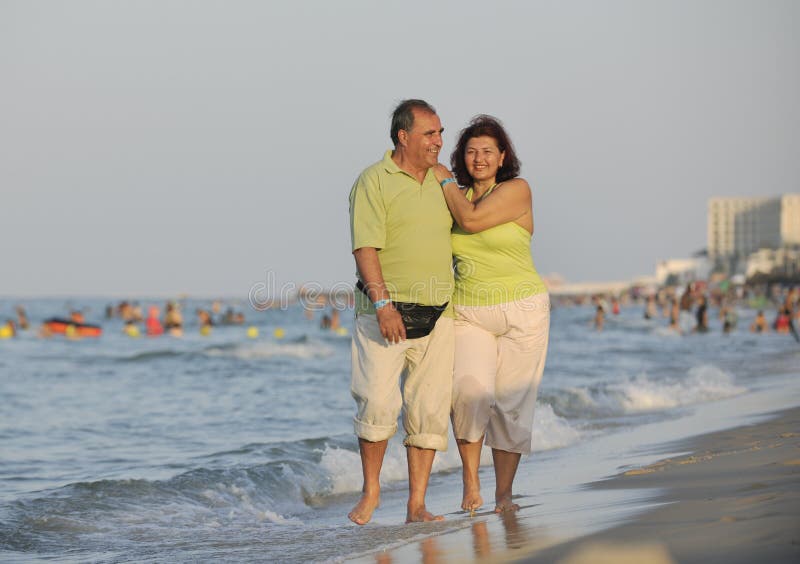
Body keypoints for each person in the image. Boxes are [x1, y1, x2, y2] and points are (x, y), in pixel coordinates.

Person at [434, 115, 550, 514]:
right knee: (467, 394)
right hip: (468, 311)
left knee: (512, 405)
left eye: (487, 151)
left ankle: (503, 495)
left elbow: (473, 220)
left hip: (524, 310)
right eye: (471, 151)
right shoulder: (453, 194)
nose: (479, 158)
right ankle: (470, 483)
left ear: (502, 157)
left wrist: (443, 179)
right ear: (461, 156)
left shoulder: (517, 190)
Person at [347, 99, 455, 525]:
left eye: (441, 133)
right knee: (375, 401)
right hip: (383, 313)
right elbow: (364, 247)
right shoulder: (374, 181)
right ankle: (371, 490)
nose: (439, 142)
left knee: (428, 409)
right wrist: (383, 304)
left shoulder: (443, 181)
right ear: (403, 137)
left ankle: (417, 505)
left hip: (439, 314)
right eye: (430, 134)